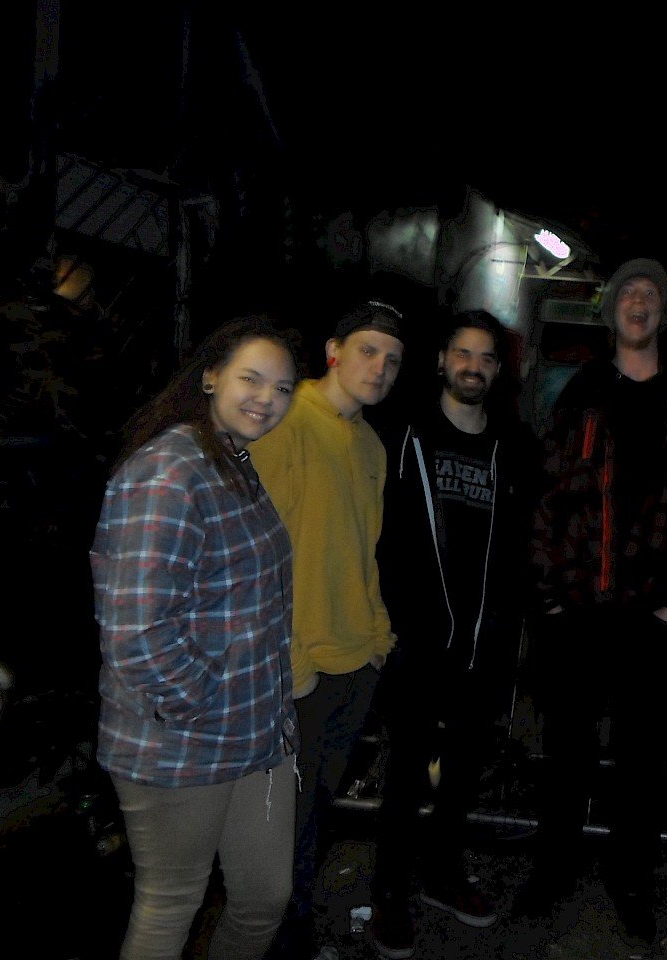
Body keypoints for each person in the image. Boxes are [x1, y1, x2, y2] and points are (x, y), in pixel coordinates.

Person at [514, 257, 667, 951]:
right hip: (576, 608)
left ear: (663, 312)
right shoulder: (578, 390)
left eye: (650, 294)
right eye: (627, 292)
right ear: (611, 312)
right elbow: (545, 495)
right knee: (566, 752)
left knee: (642, 760)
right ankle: (552, 869)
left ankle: (631, 879)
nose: (638, 302)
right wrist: (549, 595)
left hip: (652, 614)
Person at [91, 316, 300, 960]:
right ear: (210, 376)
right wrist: (201, 705)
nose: (267, 398)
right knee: (171, 903)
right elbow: (136, 629)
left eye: (283, 388)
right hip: (183, 740)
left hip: (256, 732)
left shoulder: (230, 458)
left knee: (263, 900)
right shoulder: (169, 470)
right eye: (251, 379)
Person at [367, 310, 537, 958]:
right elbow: (378, 530)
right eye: (463, 353)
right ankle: (389, 890)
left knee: (463, 770)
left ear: (498, 370)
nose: (473, 366)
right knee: (405, 770)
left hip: (485, 638)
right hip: (415, 637)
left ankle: (441, 873)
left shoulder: (513, 444)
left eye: (486, 357)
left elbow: (524, 539)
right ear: (441, 360)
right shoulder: (403, 433)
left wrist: (514, 621)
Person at [248, 301, 405, 959]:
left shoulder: (371, 444)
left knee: (316, 815)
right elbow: (256, 553)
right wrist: (289, 659)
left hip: (354, 661)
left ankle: (297, 932)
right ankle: (282, 943)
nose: (380, 368)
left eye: (392, 359)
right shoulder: (286, 422)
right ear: (333, 352)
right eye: (367, 351)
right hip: (296, 666)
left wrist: (377, 641)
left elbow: (365, 551)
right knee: (282, 826)